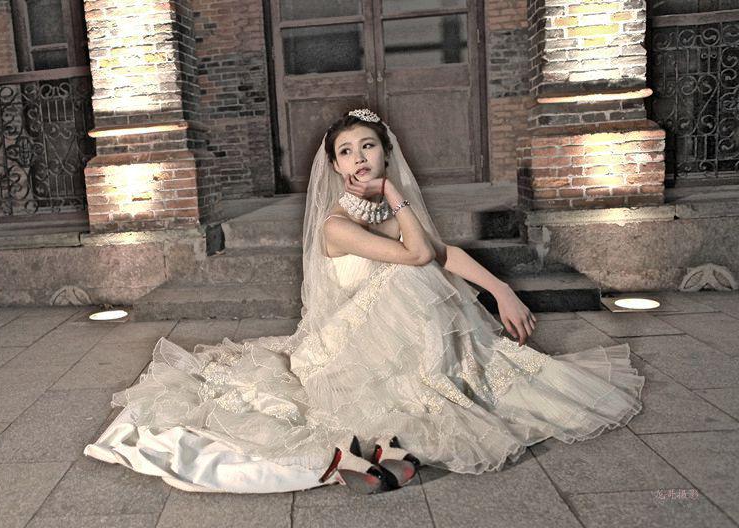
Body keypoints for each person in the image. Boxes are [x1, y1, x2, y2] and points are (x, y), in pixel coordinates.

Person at [84, 109, 645, 494]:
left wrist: (501, 290)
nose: (359, 158)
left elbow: (441, 251)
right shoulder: (336, 224)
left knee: (416, 279)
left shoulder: (382, 210)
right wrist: (396, 194)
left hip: (397, 331)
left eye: (368, 146)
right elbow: (418, 255)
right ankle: (399, 415)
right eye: (346, 152)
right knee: (406, 277)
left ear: (385, 151)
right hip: (348, 344)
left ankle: (437, 389)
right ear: (334, 166)